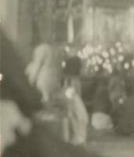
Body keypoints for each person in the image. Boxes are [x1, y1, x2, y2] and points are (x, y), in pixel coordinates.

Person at [0, 26, 100, 157]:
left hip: (32, 91)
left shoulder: (40, 50)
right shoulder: (52, 50)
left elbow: (27, 71)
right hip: (46, 81)